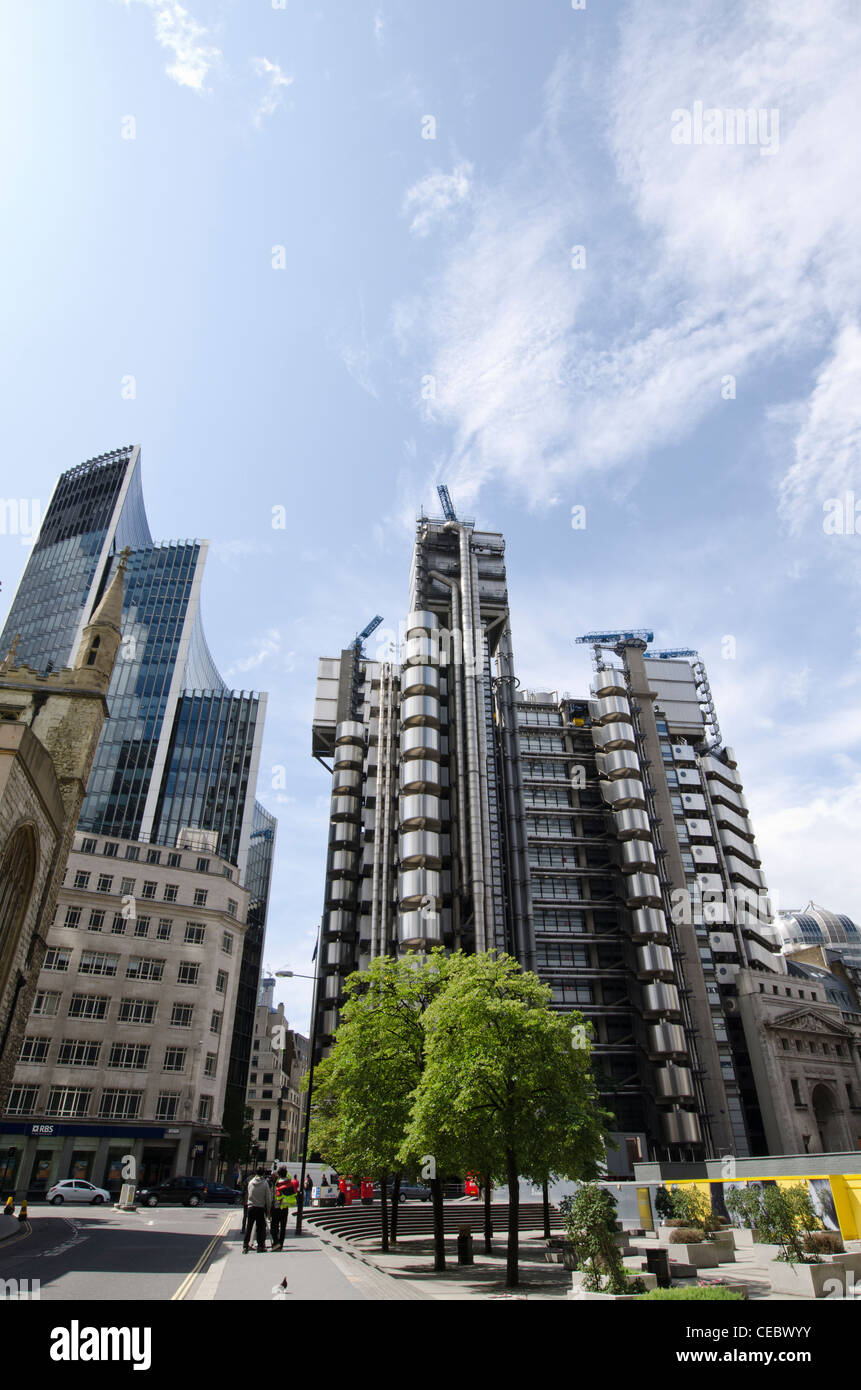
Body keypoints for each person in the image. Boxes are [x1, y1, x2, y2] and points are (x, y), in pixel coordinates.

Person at [243, 1166, 272, 1253]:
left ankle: (245, 1246)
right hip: (260, 1207)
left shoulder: (251, 1182)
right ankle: (260, 1246)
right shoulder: (265, 1183)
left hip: (251, 1207)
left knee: (249, 1227)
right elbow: (268, 1198)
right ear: (263, 1173)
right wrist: (268, 1210)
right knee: (261, 1228)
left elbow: (248, 1194)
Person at [270, 1166, 291, 1251]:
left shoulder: (277, 1183)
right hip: (285, 1207)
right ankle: (281, 1244)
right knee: (283, 1227)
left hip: (276, 1207)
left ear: (278, 1174)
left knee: (273, 1227)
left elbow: (272, 1195)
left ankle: (276, 1243)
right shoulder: (289, 1183)